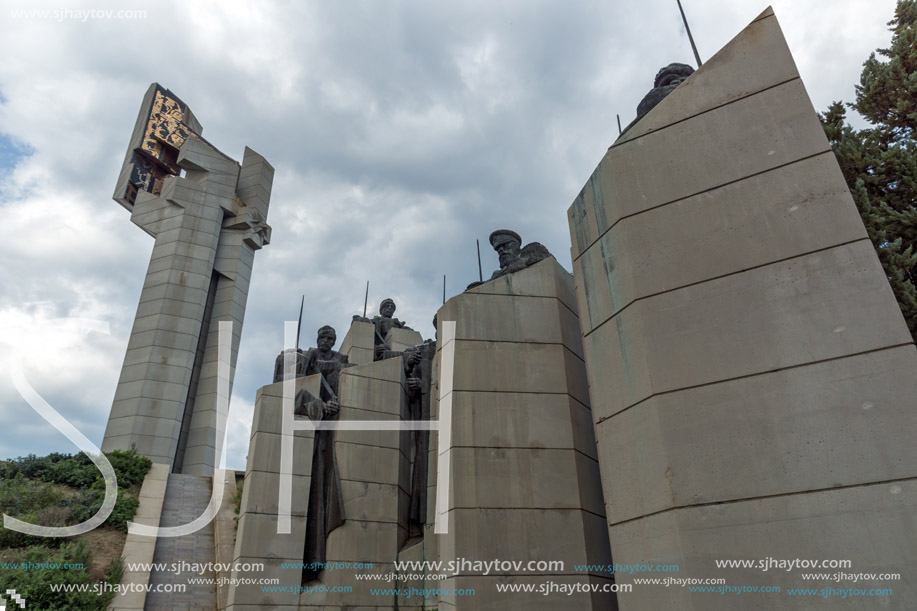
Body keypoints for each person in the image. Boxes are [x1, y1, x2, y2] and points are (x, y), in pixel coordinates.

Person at [466, 229, 552, 289]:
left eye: (505, 245)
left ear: (516, 245)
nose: (501, 250)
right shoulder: (497, 274)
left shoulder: (533, 252)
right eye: (498, 249)